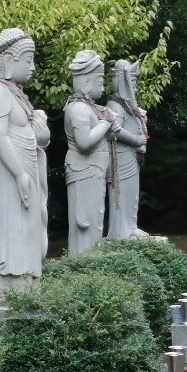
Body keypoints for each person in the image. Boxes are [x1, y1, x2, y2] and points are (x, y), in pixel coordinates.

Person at [0, 28, 50, 301]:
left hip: (23, 171)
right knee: (10, 226)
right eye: (28, 60)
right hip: (7, 174)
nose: (32, 67)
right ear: (8, 60)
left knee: (26, 227)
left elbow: (26, 132)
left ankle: (26, 284)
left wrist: (39, 130)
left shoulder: (15, 93)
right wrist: (19, 174)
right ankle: (8, 287)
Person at [63, 50, 112, 255]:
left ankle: (91, 257)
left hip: (93, 170)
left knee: (95, 217)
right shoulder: (78, 109)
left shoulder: (89, 107)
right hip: (83, 170)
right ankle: (83, 259)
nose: (103, 87)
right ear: (85, 83)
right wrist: (106, 124)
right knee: (85, 220)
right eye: (99, 82)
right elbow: (84, 143)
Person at [104, 58, 150, 240]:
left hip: (131, 156)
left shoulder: (130, 105)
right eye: (131, 80)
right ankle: (120, 231)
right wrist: (137, 140)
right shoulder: (115, 105)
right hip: (120, 155)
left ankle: (132, 226)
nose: (134, 84)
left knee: (132, 193)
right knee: (120, 193)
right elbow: (114, 130)